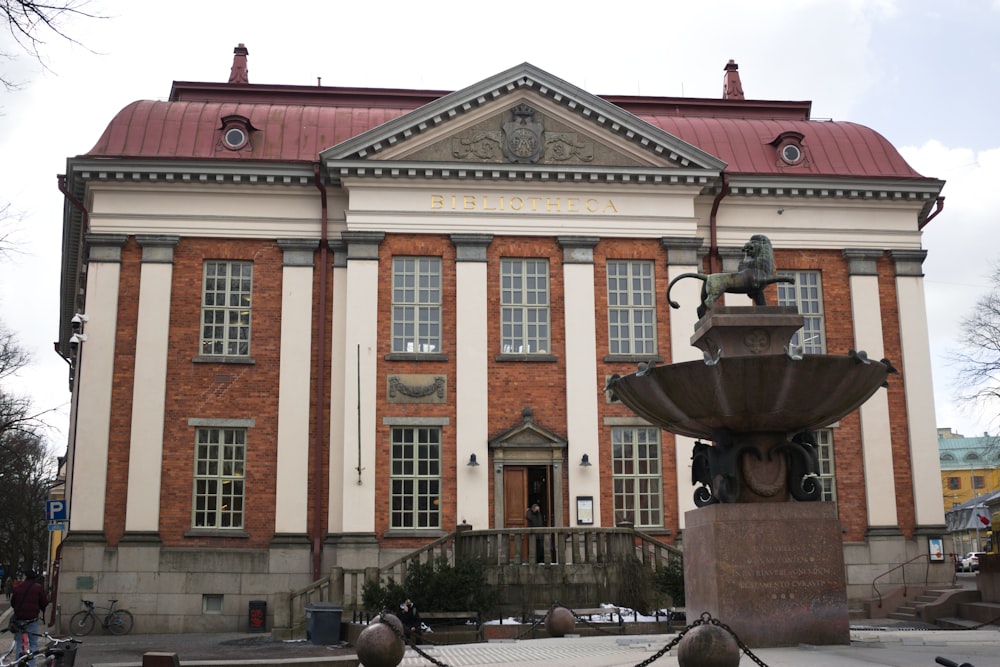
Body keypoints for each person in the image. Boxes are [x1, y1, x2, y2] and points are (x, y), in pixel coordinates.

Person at [10, 569, 48, 666]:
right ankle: (31, 664)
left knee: (19, 643)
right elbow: (44, 602)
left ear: (26, 577)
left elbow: (13, 603)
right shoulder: (38, 588)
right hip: (32, 619)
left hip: (19, 620)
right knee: (33, 643)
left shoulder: (18, 587)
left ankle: (18, 663)